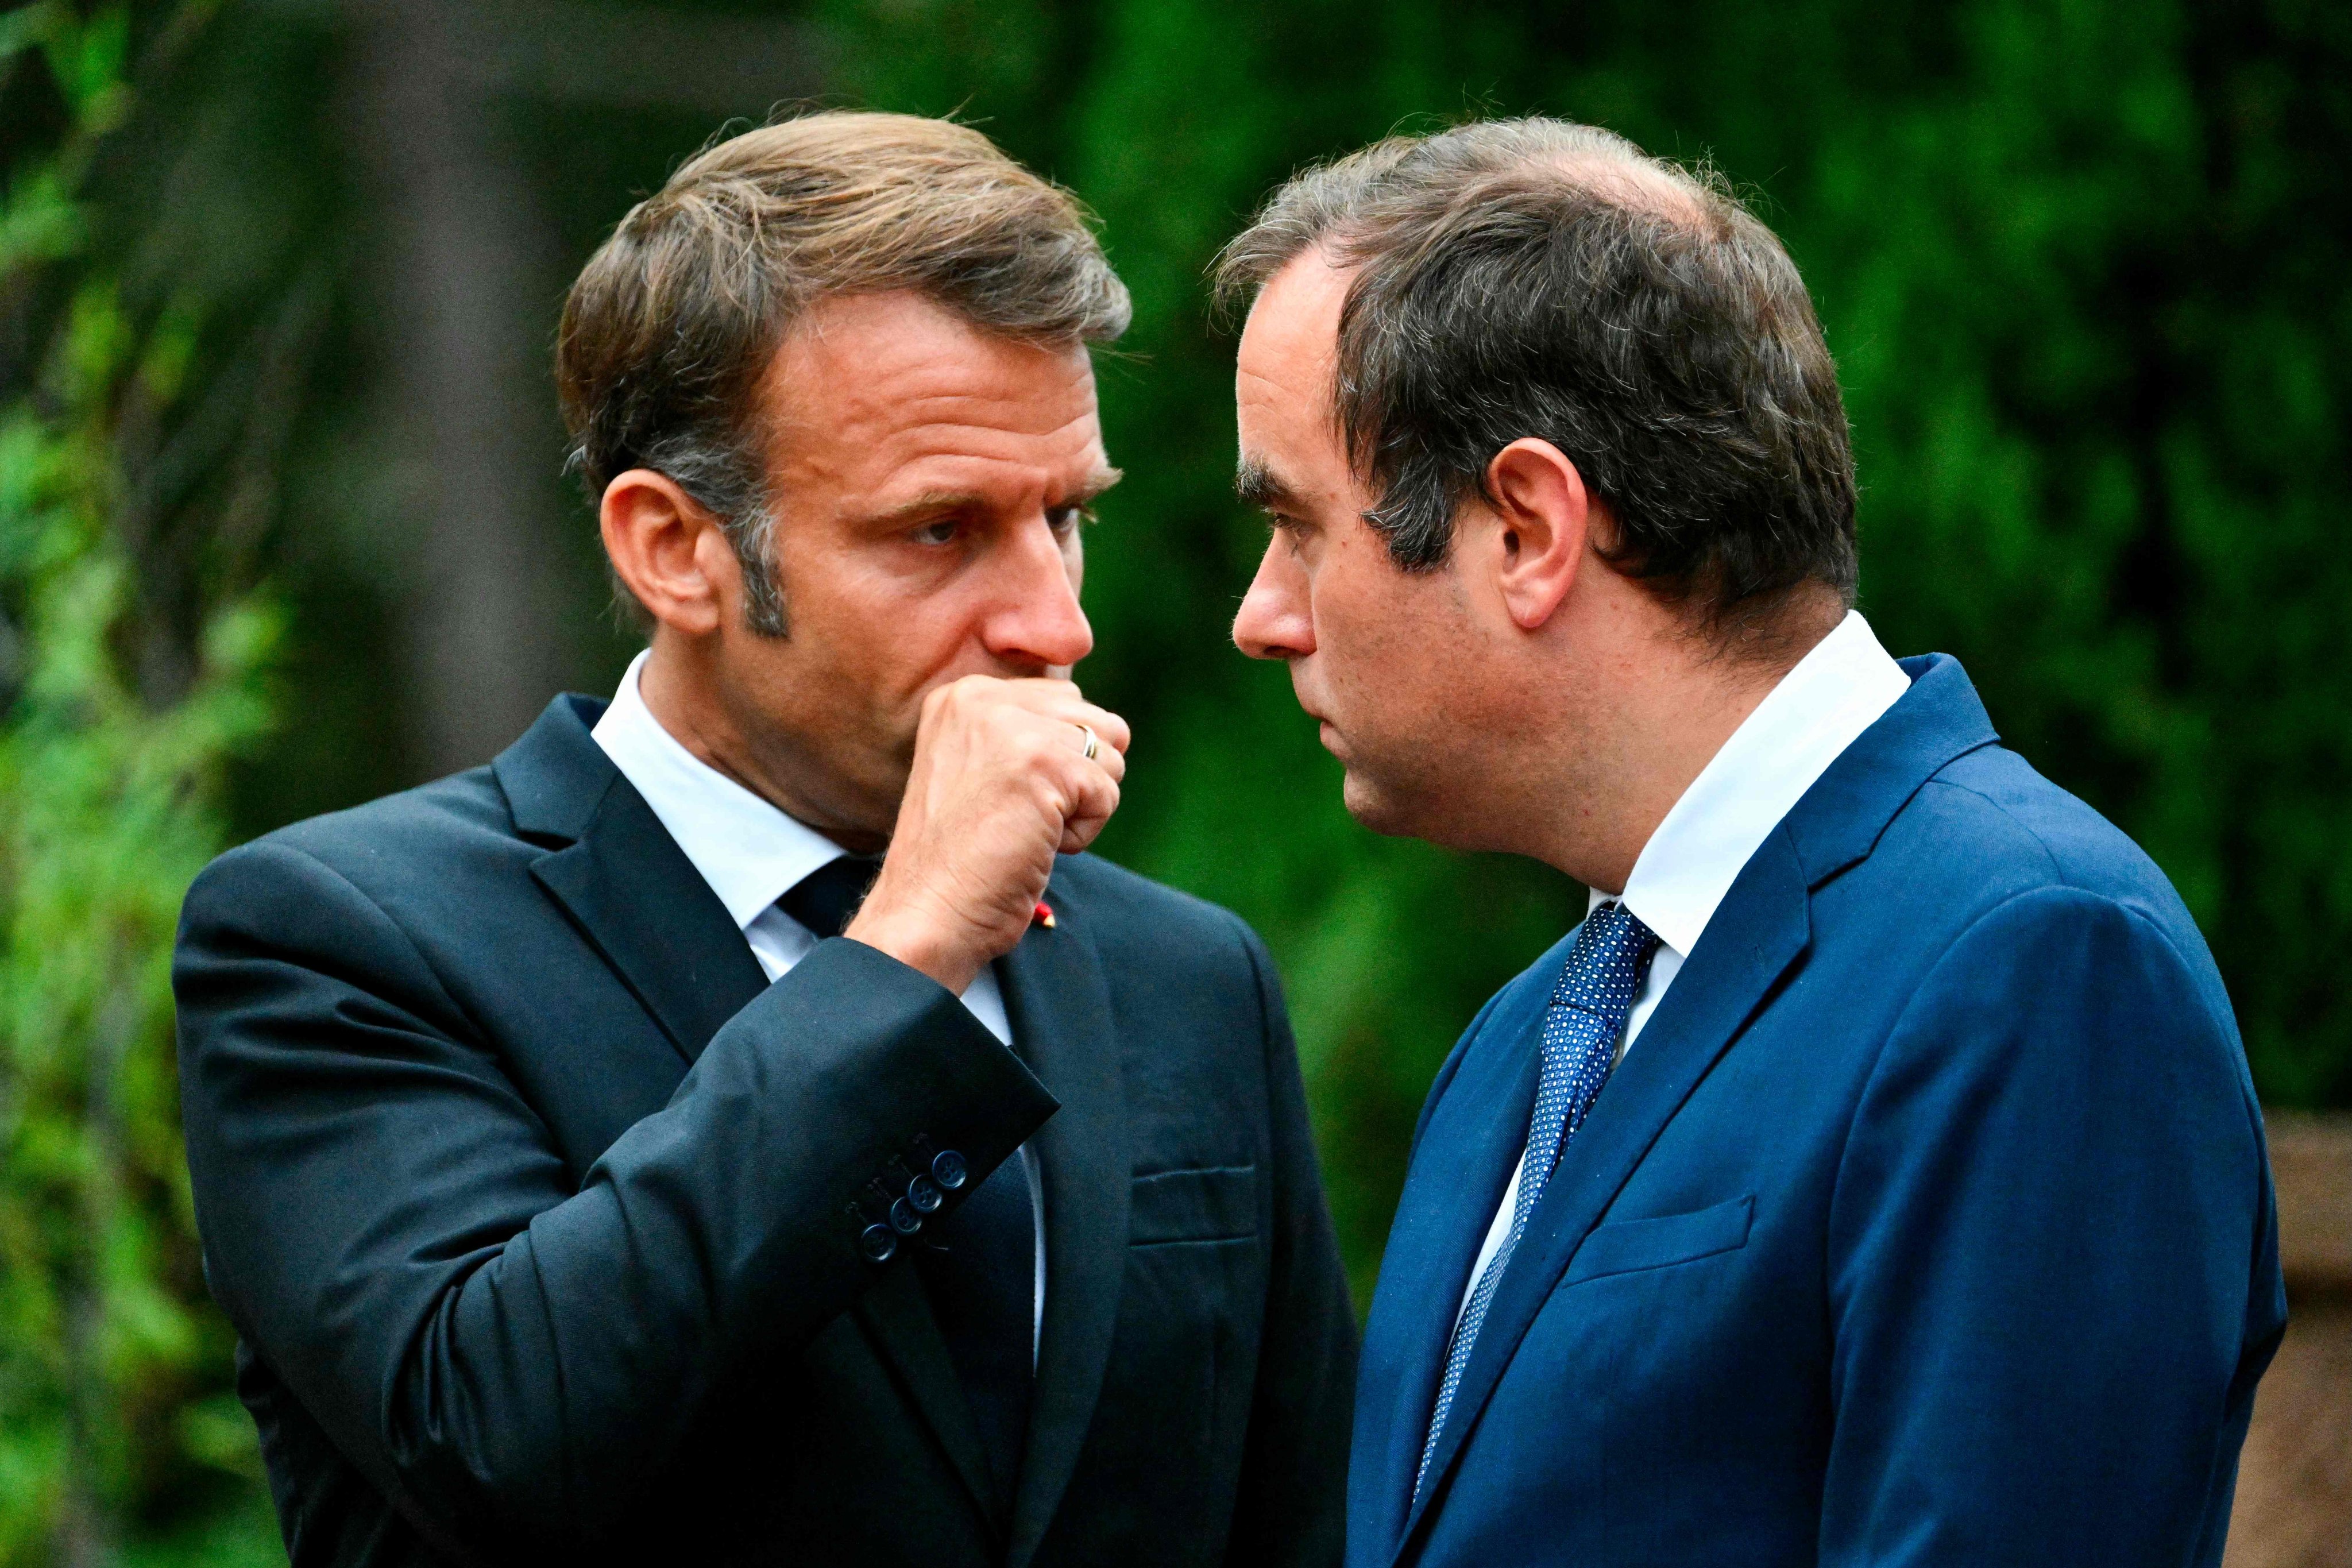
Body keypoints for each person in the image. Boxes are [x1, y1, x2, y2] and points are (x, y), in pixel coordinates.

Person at [175, 112, 1354, 1568]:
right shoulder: (341, 941)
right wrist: (905, 954)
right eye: (938, 532)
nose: (1056, 624)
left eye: (1064, 518)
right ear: (673, 547)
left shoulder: (1188, 981)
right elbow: (493, 1434)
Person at [1221, 118, 2284, 1568]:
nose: (1261, 615)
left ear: (1527, 529)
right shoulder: (1525, 1041)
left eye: (1294, 526)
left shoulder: (2032, 959)